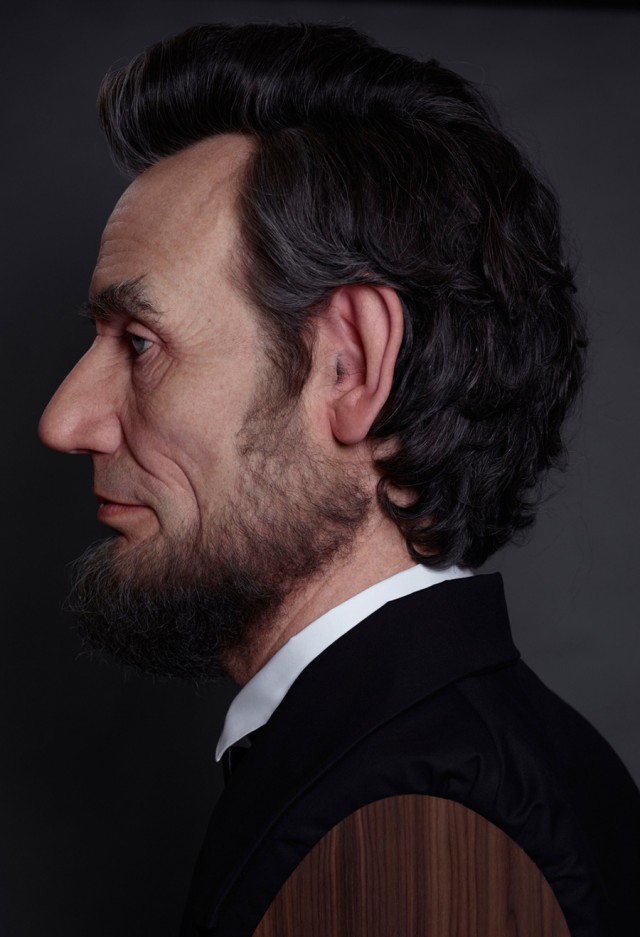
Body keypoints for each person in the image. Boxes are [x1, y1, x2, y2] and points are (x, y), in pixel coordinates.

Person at [38, 22, 639, 937]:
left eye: (141, 343)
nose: (64, 419)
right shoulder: (438, 762)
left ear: (349, 366)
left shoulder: (418, 836)